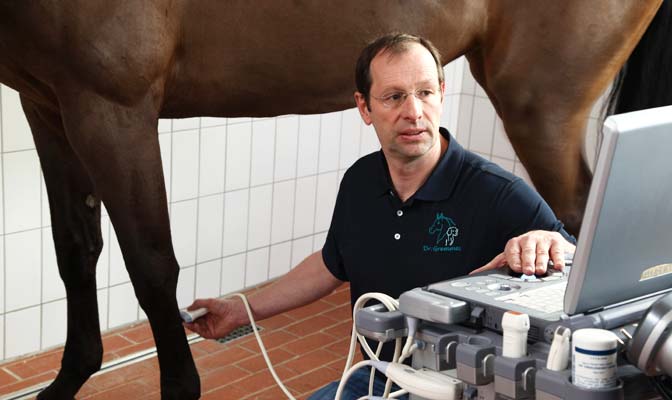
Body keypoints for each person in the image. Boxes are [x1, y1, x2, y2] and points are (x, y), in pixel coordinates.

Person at [185, 33, 576, 399]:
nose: (414, 112)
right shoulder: (360, 182)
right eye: (393, 97)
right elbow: (330, 264)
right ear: (364, 107)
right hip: (379, 375)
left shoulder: (496, 192)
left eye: (425, 92)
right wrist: (241, 311)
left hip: (460, 388)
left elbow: (574, 267)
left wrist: (553, 243)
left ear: (441, 93)